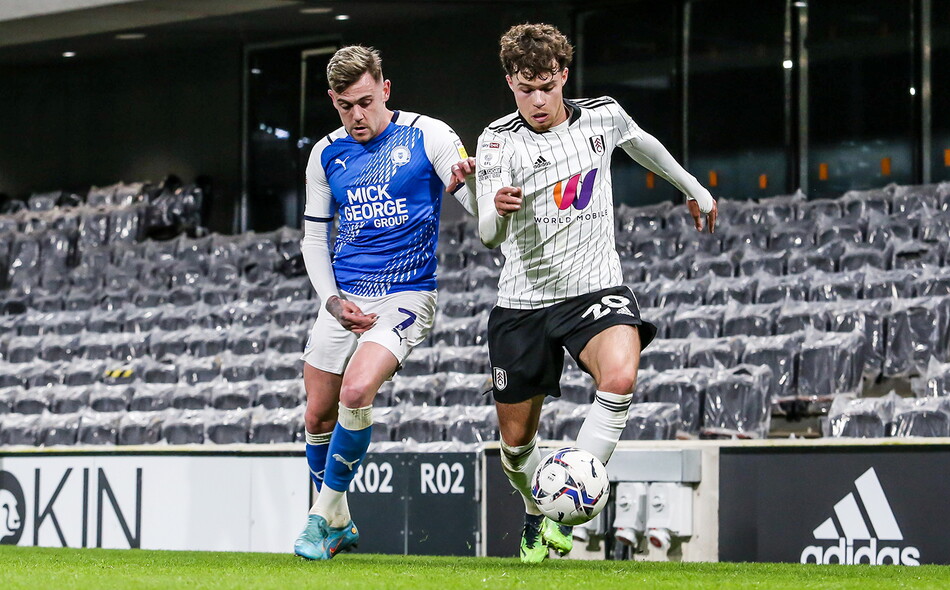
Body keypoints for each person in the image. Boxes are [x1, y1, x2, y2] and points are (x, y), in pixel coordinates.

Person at [475, 23, 717, 563]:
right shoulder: (496, 140)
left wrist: (694, 188)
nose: (536, 100)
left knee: (621, 375)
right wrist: (498, 210)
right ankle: (540, 511)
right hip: (522, 301)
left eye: (545, 85)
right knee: (515, 450)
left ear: (563, 75)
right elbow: (488, 235)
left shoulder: (603, 116)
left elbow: (644, 145)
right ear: (510, 83)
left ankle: (575, 492)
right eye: (524, 88)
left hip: (594, 289)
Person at [295, 45, 477, 560]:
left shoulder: (430, 135)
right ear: (333, 100)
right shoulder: (325, 154)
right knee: (316, 416)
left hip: (406, 293)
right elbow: (313, 239)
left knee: (356, 390)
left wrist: (471, 188)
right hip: (345, 297)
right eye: (345, 105)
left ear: (386, 89)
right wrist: (331, 301)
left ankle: (316, 518)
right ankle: (340, 522)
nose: (357, 115)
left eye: (366, 101)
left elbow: (485, 223)